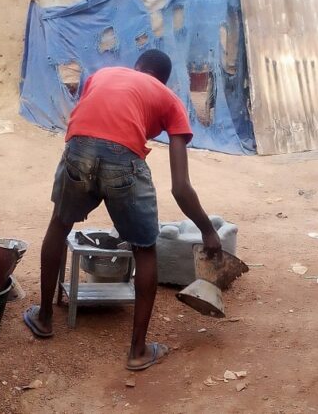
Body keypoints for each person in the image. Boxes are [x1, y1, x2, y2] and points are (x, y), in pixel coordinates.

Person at [23, 49, 222, 371]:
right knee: (145, 249)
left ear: (138, 68)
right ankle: (137, 351)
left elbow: (92, 124)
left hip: (78, 148)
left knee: (59, 225)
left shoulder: (103, 75)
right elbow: (181, 187)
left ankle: (44, 318)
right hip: (124, 159)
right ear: (162, 79)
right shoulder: (169, 99)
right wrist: (208, 231)